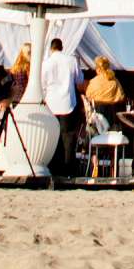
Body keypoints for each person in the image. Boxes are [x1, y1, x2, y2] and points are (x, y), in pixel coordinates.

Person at [42, 36, 81, 177]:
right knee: (68, 136)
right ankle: (68, 168)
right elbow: (80, 79)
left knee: (53, 136)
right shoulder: (71, 61)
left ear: (51, 48)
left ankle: (54, 167)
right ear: (62, 47)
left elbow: (42, 83)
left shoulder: (46, 63)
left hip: (51, 103)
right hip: (67, 102)